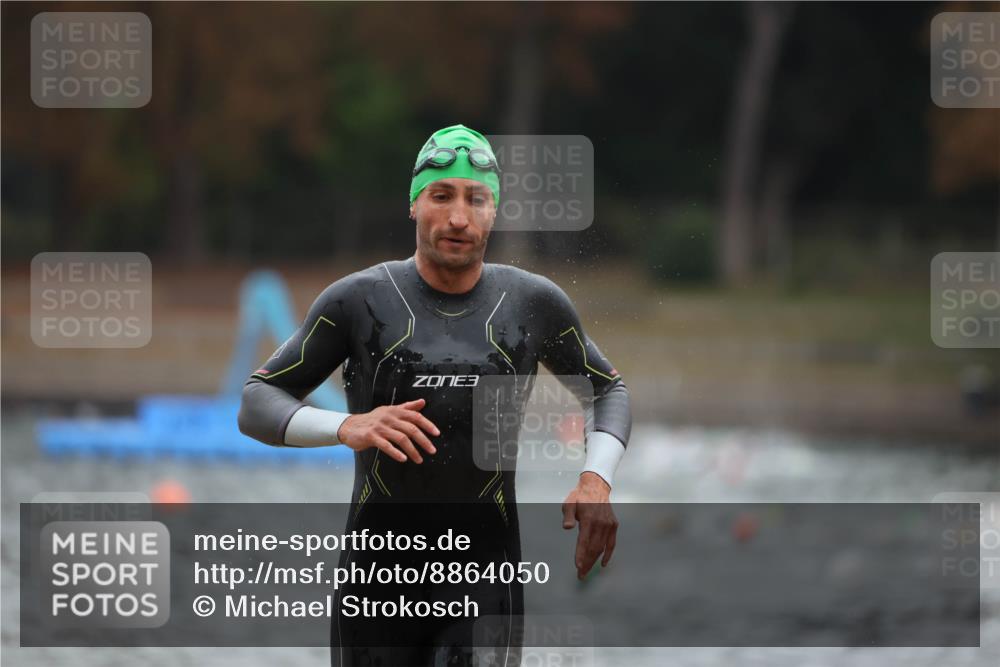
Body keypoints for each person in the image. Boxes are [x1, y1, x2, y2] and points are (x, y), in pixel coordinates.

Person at [238, 124, 631, 666]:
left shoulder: (533, 304)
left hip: (485, 585)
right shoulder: (359, 301)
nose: (459, 218)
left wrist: (596, 479)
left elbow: (607, 390)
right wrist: (346, 426)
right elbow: (258, 399)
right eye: (442, 196)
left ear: (494, 211)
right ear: (414, 204)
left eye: (476, 199)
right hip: (375, 590)